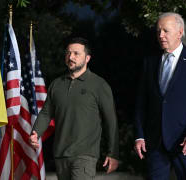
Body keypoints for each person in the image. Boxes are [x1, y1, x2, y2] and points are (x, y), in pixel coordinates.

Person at [134, 12, 186, 180]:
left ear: (179, 32)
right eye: (158, 31)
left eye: (165, 31)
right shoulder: (150, 62)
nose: (160, 35)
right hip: (155, 143)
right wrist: (140, 135)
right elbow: (141, 103)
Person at [29, 37, 119, 180]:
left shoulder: (99, 85)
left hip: (85, 155)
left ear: (87, 58)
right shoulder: (57, 84)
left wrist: (113, 153)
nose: (71, 57)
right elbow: (46, 113)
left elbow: (110, 121)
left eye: (76, 53)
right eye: (68, 53)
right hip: (60, 154)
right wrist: (36, 132)